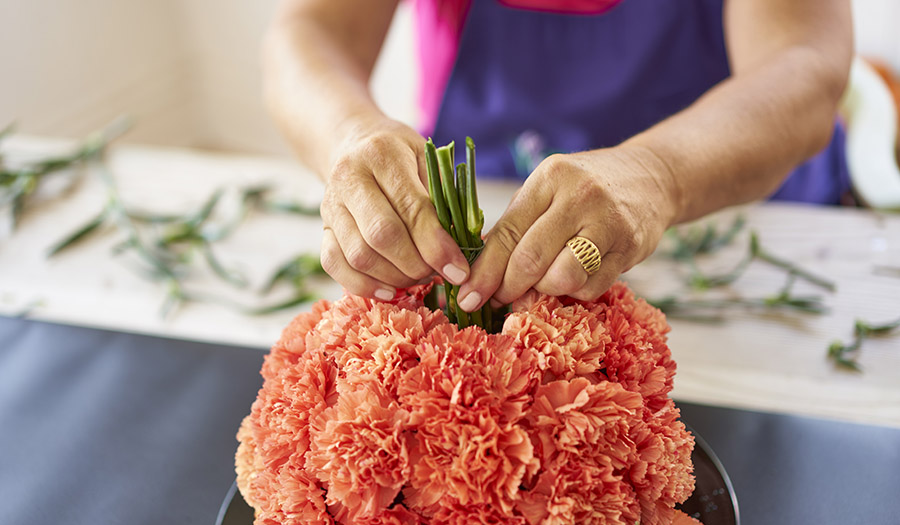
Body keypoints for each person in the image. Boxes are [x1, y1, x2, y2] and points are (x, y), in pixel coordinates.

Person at [262, 0, 853, 312]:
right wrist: (349, 135)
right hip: (492, 217)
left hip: (735, 231)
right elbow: (311, 30)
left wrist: (658, 172)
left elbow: (803, 64)